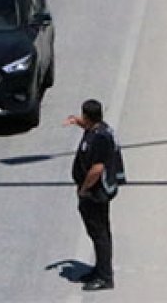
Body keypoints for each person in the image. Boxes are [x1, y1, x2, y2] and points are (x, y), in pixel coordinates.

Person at [66, 99, 115, 291]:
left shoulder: (100, 137)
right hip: (90, 192)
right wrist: (76, 121)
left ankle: (105, 277)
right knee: (97, 233)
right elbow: (88, 127)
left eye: (82, 116)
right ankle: (100, 269)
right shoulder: (97, 128)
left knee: (99, 234)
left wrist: (84, 189)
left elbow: (97, 169)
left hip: (94, 193)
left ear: (88, 117)